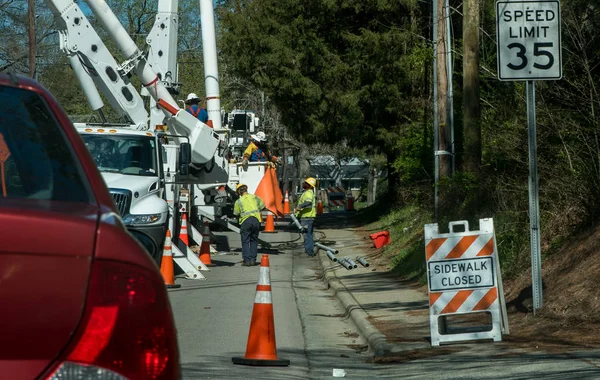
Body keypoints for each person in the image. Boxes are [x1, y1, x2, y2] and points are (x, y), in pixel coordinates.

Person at [233, 183, 266, 266]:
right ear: (246, 190)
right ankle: (253, 260)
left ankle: (247, 261)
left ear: (239, 192)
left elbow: (236, 213)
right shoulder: (255, 197)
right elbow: (262, 206)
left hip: (246, 222)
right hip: (256, 221)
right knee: (254, 241)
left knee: (245, 241)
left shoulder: (238, 201)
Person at [295, 177, 317, 256]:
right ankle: (309, 250)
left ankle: (309, 251)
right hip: (308, 217)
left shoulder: (308, 193)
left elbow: (308, 202)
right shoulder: (307, 192)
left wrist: (299, 207)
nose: (303, 184)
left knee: (306, 235)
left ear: (309, 185)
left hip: (307, 217)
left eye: (305, 183)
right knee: (309, 234)